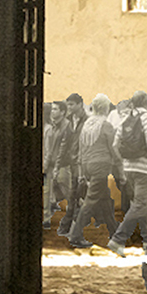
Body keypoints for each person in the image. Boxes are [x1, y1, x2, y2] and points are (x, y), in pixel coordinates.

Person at [64, 94, 122, 249]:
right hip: (101, 166)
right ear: (106, 108)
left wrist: (82, 170)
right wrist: (120, 167)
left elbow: (81, 148)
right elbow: (113, 149)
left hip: (87, 165)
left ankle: (115, 232)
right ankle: (76, 235)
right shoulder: (106, 125)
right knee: (90, 201)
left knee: (105, 199)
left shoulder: (87, 124)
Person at [108, 90, 147, 255]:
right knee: (140, 204)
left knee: (141, 205)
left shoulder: (125, 119)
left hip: (128, 168)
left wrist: (122, 163)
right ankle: (118, 239)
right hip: (143, 169)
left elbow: (115, 145)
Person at [56, 93, 88, 236]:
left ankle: (72, 228)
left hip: (83, 164)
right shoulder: (69, 121)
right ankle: (70, 228)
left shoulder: (87, 121)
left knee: (79, 196)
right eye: (68, 104)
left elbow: (87, 144)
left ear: (80, 105)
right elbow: (64, 143)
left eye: (71, 104)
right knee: (74, 196)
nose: (69, 107)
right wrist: (58, 164)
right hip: (72, 164)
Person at [43, 100, 72, 228]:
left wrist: (57, 166)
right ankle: (46, 219)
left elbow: (63, 149)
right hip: (51, 164)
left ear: (63, 112)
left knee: (66, 190)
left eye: (55, 109)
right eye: (52, 109)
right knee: (46, 191)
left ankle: (78, 212)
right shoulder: (51, 127)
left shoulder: (67, 126)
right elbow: (48, 148)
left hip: (62, 165)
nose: (52, 111)